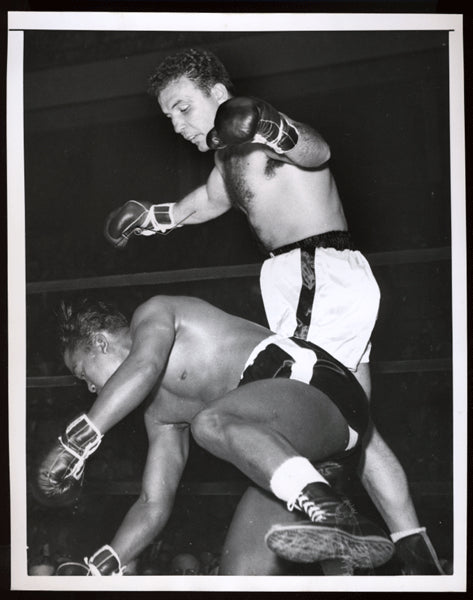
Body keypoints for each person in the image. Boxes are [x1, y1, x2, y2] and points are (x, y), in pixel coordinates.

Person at [102, 48, 446, 575]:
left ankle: (336, 522)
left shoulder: (258, 125)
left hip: (312, 272)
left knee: (312, 408)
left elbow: (316, 149)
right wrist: (152, 217)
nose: (176, 124)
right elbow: (210, 201)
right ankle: (415, 549)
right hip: (312, 279)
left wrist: (271, 125)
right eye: (168, 115)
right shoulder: (226, 158)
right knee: (352, 418)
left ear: (216, 93)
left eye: (182, 107)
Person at [36, 295, 395, 576]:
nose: (90, 388)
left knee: (208, 423)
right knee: (238, 579)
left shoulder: (154, 314)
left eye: (84, 373)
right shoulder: (158, 415)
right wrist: (102, 567)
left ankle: (334, 515)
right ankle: (336, 522)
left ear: (100, 342)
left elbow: (144, 367)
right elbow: (152, 504)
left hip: (322, 390)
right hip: (293, 453)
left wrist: (74, 444)